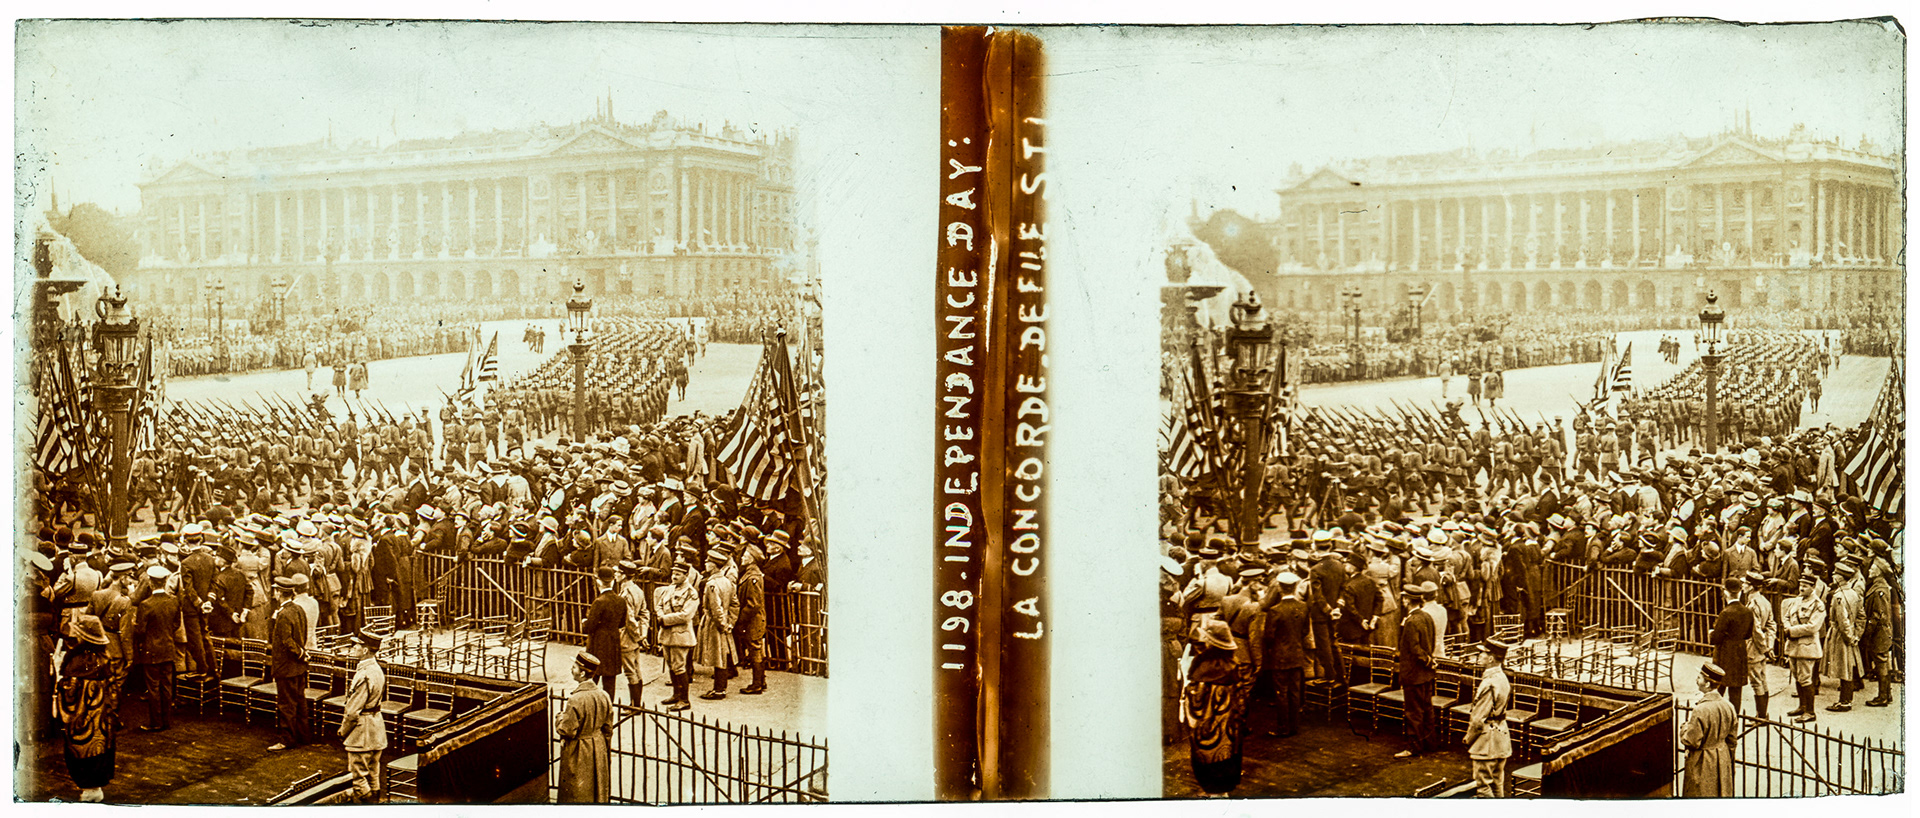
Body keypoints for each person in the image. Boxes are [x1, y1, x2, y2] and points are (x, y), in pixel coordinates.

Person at [56, 615, 118, 802]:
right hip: (101, 722)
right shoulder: (104, 657)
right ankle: (95, 788)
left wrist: (60, 678)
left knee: (80, 752)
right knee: (98, 752)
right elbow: (114, 691)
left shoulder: (77, 659)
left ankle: (88, 790)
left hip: (81, 722)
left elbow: (69, 690)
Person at [1182, 619, 1244, 796]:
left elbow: (1196, 708)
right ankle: (1222, 795)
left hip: (1209, 735)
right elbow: (1242, 703)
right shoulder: (1233, 664)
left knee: (1210, 772)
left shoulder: (1205, 667)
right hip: (1230, 736)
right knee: (1224, 774)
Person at [337, 629, 387, 803]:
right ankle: (377, 806)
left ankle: (370, 809)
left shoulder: (363, 674)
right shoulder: (377, 669)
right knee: (373, 772)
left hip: (362, 733)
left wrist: (343, 731)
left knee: (358, 777)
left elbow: (352, 713)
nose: (352, 649)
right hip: (376, 728)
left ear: (365, 650)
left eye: (355, 646)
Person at [556, 652, 614, 803]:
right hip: (598, 746)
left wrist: (559, 718)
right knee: (597, 788)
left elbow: (567, 730)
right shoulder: (604, 695)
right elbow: (608, 728)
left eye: (574, 667)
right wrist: (603, 746)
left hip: (579, 750)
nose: (571, 669)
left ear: (582, 673)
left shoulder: (575, 699)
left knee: (577, 791)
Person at [1260, 571, 1311, 738]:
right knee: (1295, 692)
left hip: (1279, 656)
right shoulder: (1303, 607)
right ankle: (1294, 726)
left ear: (1280, 589)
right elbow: (1304, 631)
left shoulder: (1275, 611)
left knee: (1281, 693)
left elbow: (1268, 636)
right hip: (1297, 654)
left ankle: (1283, 727)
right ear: (1295, 587)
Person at [130, 565, 180, 732]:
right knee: (167, 686)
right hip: (168, 648)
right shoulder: (174, 601)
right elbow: (176, 624)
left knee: (153, 688)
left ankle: (155, 722)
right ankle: (166, 721)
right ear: (165, 581)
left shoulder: (146, 604)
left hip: (151, 651)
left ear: (150, 583)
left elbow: (140, 631)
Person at [1395, 580, 1440, 758]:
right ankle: (1430, 743)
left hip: (1413, 674)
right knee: (1427, 709)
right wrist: (1430, 662)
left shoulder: (1411, 622)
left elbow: (1414, 650)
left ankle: (1413, 747)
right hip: (1426, 675)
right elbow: (1431, 641)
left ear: (1407, 600)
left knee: (1413, 712)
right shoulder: (1426, 617)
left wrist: (1427, 660)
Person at [1464, 637, 1514, 798]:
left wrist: (1469, 739)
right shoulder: (1503, 678)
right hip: (1501, 737)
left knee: (1483, 787)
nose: (1479, 657)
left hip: (1487, 742)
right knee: (1497, 782)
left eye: (1482, 654)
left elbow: (1478, 720)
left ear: (1491, 658)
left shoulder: (1489, 683)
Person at [267, 575, 312, 751]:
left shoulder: (283, 614)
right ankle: (303, 736)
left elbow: (285, 641)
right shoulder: (298, 609)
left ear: (279, 593)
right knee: (300, 702)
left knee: (286, 705)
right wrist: (303, 654)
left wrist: (299, 653)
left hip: (286, 667)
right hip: (299, 668)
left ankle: (286, 739)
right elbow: (302, 634)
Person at [1680, 662, 1737, 797]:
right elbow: (1732, 740)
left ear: (1706, 684)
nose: (1696, 680)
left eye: (1699, 678)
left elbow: (1692, 741)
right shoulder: (1728, 706)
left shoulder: (1700, 710)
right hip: (1723, 759)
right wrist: (1726, 759)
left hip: (1703, 762)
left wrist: (1684, 729)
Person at [654, 559, 700, 712]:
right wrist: (660, 615)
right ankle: (676, 694)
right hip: (667, 634)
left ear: (686, 575)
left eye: (678, 574)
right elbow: (659, 605)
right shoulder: (670, 589)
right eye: (673, 573)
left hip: (680, 636)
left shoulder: (691, 593)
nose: (674, 576)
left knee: (680, 667)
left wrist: (665, 619)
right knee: (671, 666)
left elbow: (687, 615)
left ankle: (684, 699)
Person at [1780, 575, 1827, 724]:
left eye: (1805, 586)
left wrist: (1791, 631)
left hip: (1807, 647)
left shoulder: (1818, 605)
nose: (1801, 588)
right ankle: (1802, 706)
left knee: (1806, 679)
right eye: (1801, 585)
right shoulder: (1797, 600)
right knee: (1797, 676)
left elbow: (1813, 627)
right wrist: (1787, 627)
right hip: (1793, 646)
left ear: (1813, 588)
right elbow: (1786, 617)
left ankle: (1810, 711)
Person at [1707, 578, 1753, 714]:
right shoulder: (1747, 611)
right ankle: (1734, 718)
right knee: (1736, 689)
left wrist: (1712, 633)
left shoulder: (1726, 613)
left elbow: (1716, 638)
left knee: (1718, 686)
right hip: (1739, 653)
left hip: (1724, 653)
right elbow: (1748, 635)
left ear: (1725, 592)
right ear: (1740, 592)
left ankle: (1717, 716)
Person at [582, 567, 627, 699]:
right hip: (613, 642)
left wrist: (585, 622)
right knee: (609, 679)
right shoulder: (620, 600)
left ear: (598, 582)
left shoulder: (599, 602)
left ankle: (591, 704)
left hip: (598, 643)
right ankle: (608, 708)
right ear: (612, 582)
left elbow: (589, 627)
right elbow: (622, 623)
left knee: (592, 674)